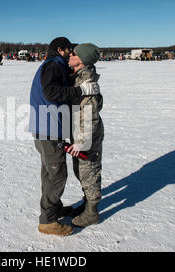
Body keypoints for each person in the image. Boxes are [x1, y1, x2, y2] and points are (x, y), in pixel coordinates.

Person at [28, 37, 100, 236]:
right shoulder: (53, 65)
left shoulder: (56, 64)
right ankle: (48, 221)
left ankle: (54, 208)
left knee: (49, 173)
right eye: (70, 49)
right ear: (60, 49)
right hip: (48, 129)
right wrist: (80, 90)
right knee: (57, 175)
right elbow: (51, 92)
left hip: (46, 128)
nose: (71, 52)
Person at [66, 43, 104, 227]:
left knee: (89, 171)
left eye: (73, 53)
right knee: (80, 170)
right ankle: (87, 202)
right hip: (79, 132)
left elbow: (89, 116)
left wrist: (82, 142)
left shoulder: (86, 81)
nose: (69, 55)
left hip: (87, 136)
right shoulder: (78, 76)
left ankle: (92, 212)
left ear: (81, 60)